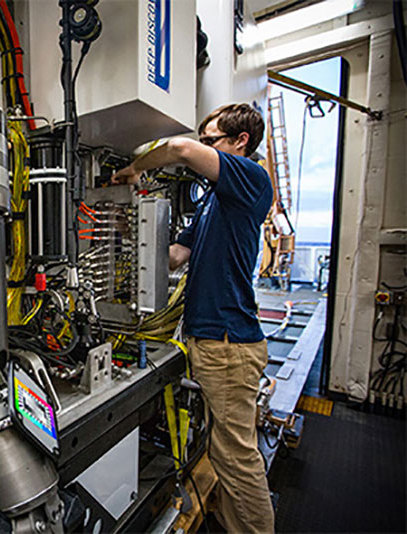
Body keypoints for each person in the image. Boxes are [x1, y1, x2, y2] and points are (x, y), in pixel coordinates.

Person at [112, 103, 275, 533]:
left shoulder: (251, 179)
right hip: (211, 343)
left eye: (213, 140)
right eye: (205, 140)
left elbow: (181, 149)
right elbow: (174, 257)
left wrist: (135, 168)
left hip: (229, 345)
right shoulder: (211, 206)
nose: (205, 147)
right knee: (224, 454)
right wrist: (129, 226)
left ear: (240, 142)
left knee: (238, 460)